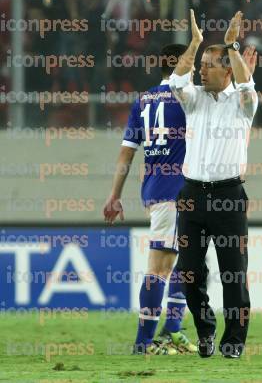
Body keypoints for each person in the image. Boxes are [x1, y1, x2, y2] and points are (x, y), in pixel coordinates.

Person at [169, 10, 258, 359]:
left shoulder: (243, 104)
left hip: (229, 195)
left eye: (208, 64)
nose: (200, 70)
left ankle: (233, 342)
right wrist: (194, 44)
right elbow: (177, 81)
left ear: (226, 69)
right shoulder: (193, 100)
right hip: (191, 195)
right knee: (189, 272)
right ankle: (205, 330)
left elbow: (247, 85)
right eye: (200, 64)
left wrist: (233, 45)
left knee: (233, 274)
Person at [103, 44, 197, 355]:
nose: (195, 70)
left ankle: (172, 329)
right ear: (183, 65)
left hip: (158, 191)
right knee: (160, 267)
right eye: (192, 64)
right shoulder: (185, 98)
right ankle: (143, 344)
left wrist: (115, 194)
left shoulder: (142, 100)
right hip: (174, 193)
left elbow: (126, 151)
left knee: (186, 262)